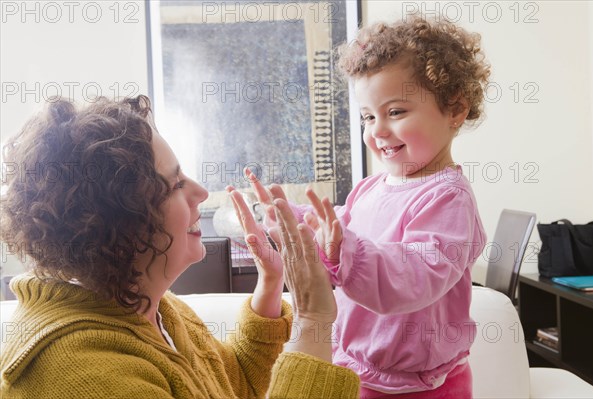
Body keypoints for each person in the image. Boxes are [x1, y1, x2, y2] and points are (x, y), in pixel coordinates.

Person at [0, 95, 359, 398]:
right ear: (124, 224)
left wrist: (269, 287)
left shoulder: (150, 307)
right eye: (174, 185)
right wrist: (312, 318)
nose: (201, 192)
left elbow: (234, 384)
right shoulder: (78, 369)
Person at [248, 16, 490, 398]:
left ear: (455, 109)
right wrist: (291, 218)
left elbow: (414, 276)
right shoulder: (371, 188)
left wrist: (343, 249)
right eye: (368, 116)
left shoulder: (447, 198)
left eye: (395, 112)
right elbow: (336, 234)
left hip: (421, 388)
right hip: (356, 371)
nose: (377, 130)